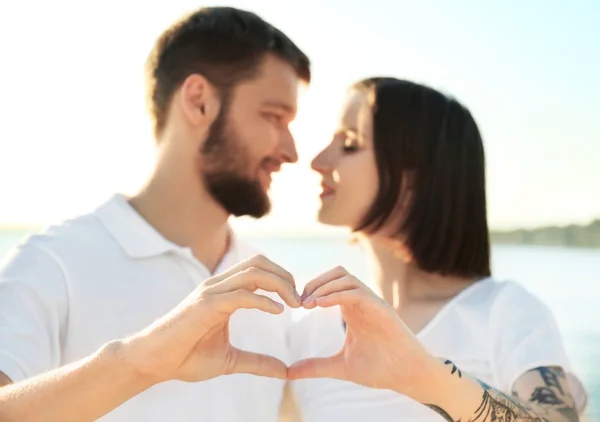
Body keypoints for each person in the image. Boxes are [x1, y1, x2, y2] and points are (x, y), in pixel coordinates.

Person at [0, 6, 309, 421]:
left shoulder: (275, 292)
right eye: (274, 117)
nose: (291, 152)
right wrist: (142, 362)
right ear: (199, 102)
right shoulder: (53, 263)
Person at [286, 77, 588, 422]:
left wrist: (423, 377)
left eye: (350, 144)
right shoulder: (308, 329)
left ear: (414, 178)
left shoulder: (504, 313)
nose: (319, 161)